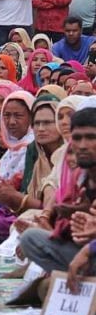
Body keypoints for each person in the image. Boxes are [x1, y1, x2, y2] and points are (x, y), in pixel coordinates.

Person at [20, 108, 96, 274]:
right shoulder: (78, 177)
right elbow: (74, 232)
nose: (82, 146)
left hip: (90, 252)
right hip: (84, 253)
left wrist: (90, 247)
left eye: (91, 138)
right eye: (77, 138)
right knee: (30, 238)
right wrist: (73, 216)